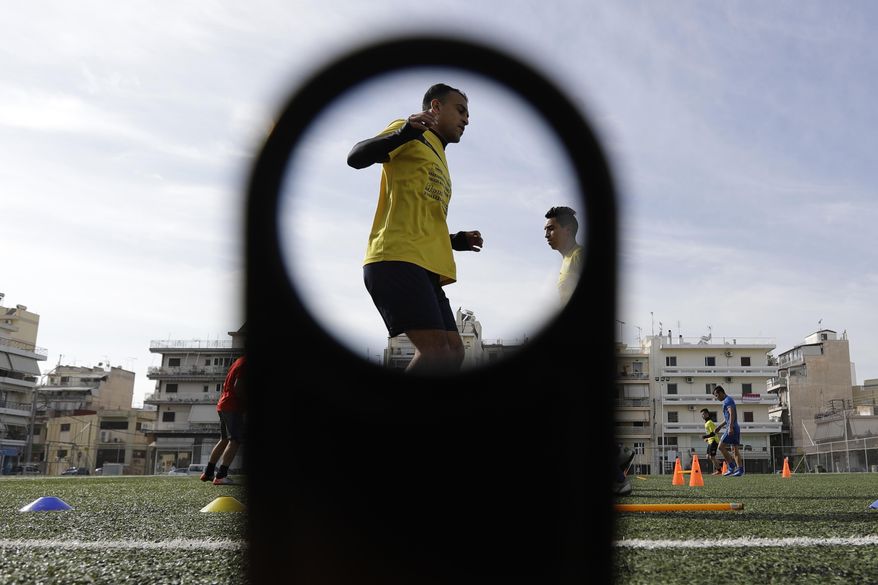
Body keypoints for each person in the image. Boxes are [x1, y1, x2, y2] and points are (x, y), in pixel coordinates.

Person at [348, 83, 483, 374]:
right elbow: (355, 157)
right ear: (435, 107)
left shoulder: (441, 158)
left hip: (426, 267)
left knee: (453, 354)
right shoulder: (410, 132)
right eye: (460, 111)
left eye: (468, 114)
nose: (466, 119)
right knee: (434, 353)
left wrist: (455, 240)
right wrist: (403, 133)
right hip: (396, 258)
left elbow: (421, 222)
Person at [201, 354, 246, 485]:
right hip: (232, 405)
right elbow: (238, 387)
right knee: (235, 440)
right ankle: (221, 475)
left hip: (224, 403)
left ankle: (208, 472)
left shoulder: (239, 361)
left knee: (224, 439)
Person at [544, 206, 583, 304]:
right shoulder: (567, 259)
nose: (546, 235)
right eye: (545, 230)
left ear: (568, 230)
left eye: (551, 229)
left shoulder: (579, 255)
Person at [712, 385, 744, 477]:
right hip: (734, 427)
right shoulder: (728, 400)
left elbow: (732, 413)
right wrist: (719, 427)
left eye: (716, 396)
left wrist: (730, 427)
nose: (716, 398)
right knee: (734, 450)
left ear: (721, 393)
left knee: (721, 446)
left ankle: (731, 467)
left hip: (732, 427)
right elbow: (728, 418)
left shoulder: (727, 400)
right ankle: (740, 470)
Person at [700, 408, 724, 475]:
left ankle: (719, 470)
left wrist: (705, 436)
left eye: (703, 414)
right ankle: (722, 464)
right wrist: (707, 439)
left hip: (714, 441)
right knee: (708, 456)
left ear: (707, 414)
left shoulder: (710, 422)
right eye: (701, 415)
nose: (702, 416)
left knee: (712, 457)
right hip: (710, 441)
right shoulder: (706, 423)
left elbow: (714, 433)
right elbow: (709, 433)